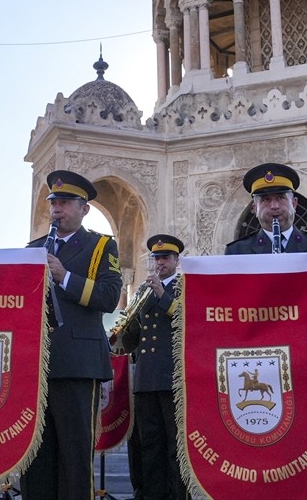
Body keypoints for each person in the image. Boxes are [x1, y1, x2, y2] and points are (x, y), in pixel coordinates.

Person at [21, 170, 122, 500]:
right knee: (35, 458)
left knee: (74, 456)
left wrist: (64, 276)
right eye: (54, 203)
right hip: (38, 366)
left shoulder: (101, 246)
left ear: (84, 209)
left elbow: (108, 297)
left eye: (65, 203)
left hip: (79, 364)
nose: (57, 209)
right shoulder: (34, 248)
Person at [224, 163, 307, 312]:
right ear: (255, 208)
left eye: (281, 197)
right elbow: (228, 304)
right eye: (265, 199)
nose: (274, 206)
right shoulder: (237, 251)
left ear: (294, 203)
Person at [122, 234, 186, 500]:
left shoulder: (183, 287)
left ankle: (177, 495)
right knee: (149, 445)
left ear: (176, 261)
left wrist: (162, 293)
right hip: (146, 378)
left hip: (172, 377)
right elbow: (133, 340)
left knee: (174, 445)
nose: (160, 263)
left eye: (165, 258)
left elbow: (188, 319)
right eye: (156, 258)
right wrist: (125, 327)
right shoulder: (143, 291)